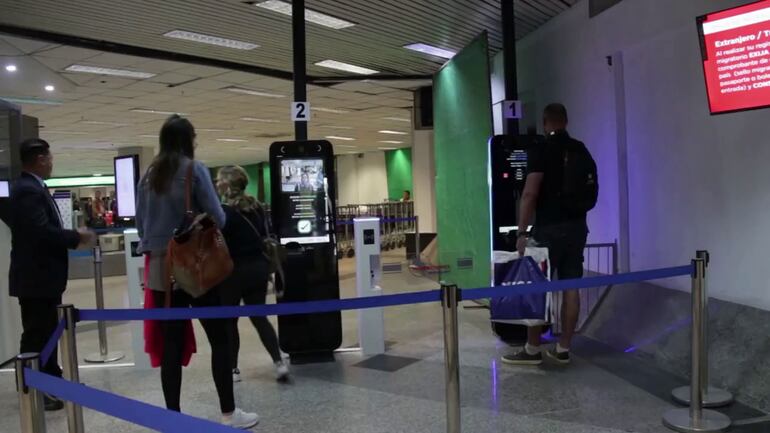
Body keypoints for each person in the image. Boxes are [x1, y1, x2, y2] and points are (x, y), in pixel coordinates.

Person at [135, 115, 259, 429]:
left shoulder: (148, 176)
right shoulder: (194, 169)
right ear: (187, 139)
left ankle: (172, 418)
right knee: (219, 339)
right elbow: (219, 217)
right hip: (197, 266)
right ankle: (229, 414)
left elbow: (140, 227)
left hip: (161, 271)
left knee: (170, 346)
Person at [502, 103, 596, 366]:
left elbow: (530, 193)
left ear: (545, 123)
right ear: (566, 121)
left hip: (547, 230)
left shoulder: (542, 149)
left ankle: (532, 348)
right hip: (577, 229)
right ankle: (564, 348)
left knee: (536, 288)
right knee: (571, 287)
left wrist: (522, 231)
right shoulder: (580, 149)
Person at [9, 138, 95, 411]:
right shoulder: (27, 191)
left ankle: (51, 381)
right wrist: (75, 237)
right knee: (37, 333)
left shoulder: (33, 188)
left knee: (47, 331)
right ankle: (34, 387)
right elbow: (40, 232)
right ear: (40, 159)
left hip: (42, 277)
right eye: (49, 157)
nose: (52, 162)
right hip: (36, 277)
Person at [215, 166, 289, 384]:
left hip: (232, 273)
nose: (217, 184)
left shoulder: (223, 212)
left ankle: (233, 369)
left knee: (229, 321)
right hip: (257, 269)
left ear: (228, 184)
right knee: (259, 318)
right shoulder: (256, 206)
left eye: (219, 180)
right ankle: (278, 363)